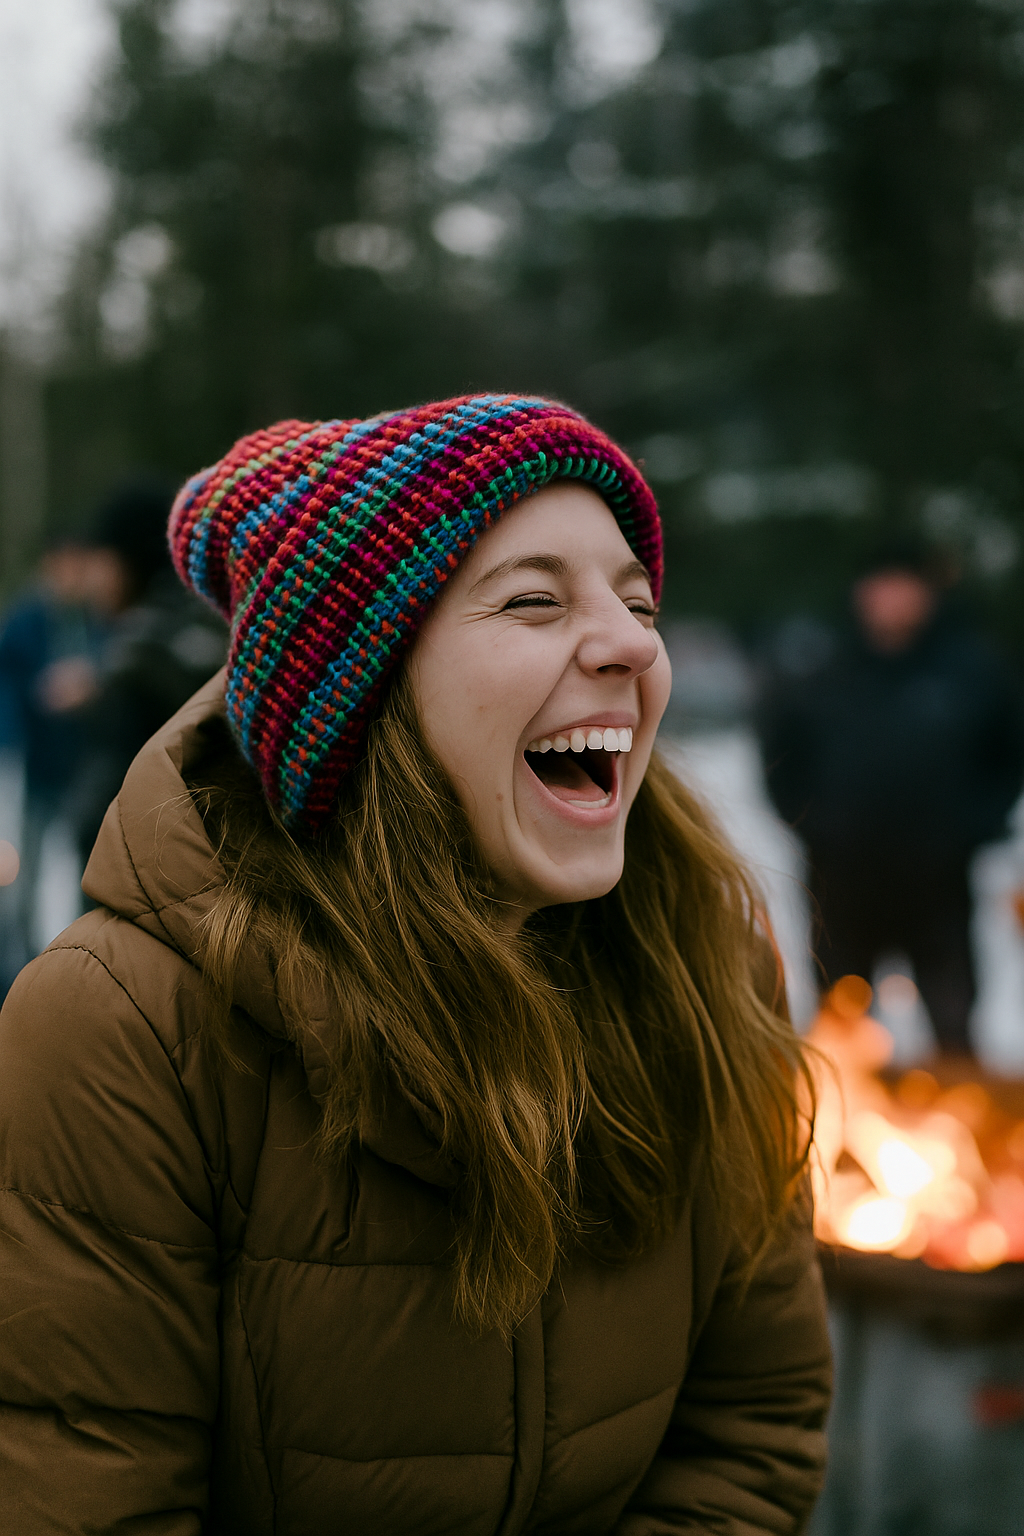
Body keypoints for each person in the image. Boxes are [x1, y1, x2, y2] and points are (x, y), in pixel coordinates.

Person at [0, 397, 830, 1532]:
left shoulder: (701, 967)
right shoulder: (120, 1031)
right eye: (533, 600)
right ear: (364, 691)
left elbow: (755, 1423)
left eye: (637, 602)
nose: (634, 641)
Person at [759, 539, 1024, 1055]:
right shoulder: (821, 671)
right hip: (841, 880)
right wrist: (808, 822)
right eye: (881, 586)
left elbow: (1010, 754)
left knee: (952, 1019)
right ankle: (843, 1124)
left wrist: (976, 825)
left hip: (938, 882)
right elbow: (779, 753)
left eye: (905, 586)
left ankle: (963, 1121)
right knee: (841, 1018)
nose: (891, 598)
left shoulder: (972, 671)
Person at [66, 477, 228, 867]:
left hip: (140, 883)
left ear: (130, 563)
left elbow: (103, 813)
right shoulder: (211, 635)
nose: (93, 580)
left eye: (102, 561)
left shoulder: (135, 660)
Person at [0, 539, 108, 984]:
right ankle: (16, 966)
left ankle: (82, 963)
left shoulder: (97, 620)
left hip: (84, 766)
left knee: (84, 866)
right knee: (23, 871)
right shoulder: (26, 622)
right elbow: (8, 684)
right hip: (37, 765)